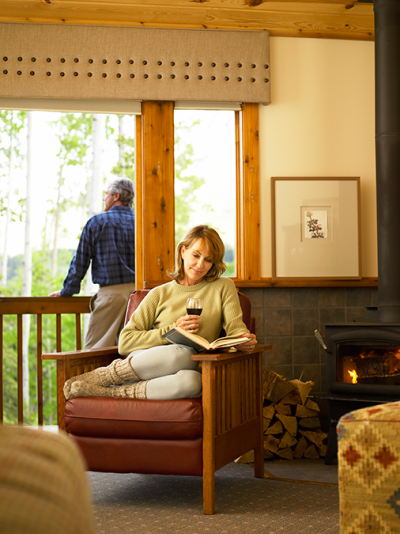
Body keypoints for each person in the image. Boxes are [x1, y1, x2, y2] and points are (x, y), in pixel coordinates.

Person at [64, 225, 257, 401]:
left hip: (180, 372)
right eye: (196, 255)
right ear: (183, 251)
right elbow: (125, 342)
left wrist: (244, 341)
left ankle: (114, 392)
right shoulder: (159, 294)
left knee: (193, 382)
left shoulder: (223, 286)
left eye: (208, 260)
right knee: (183, 353)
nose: (200, 265)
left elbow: (236, 328)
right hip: (148, 361)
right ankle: (105, 376)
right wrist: (174, 330)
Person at [49, 178, 136, 349]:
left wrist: (68, 291)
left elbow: (80, 261)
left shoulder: (97, 223)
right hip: (142, 296)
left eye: (106, 194)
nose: (104, 198)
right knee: (132, 352)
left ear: (116, 196)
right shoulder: (144, 223)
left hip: (111, 296)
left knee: (94, 352)